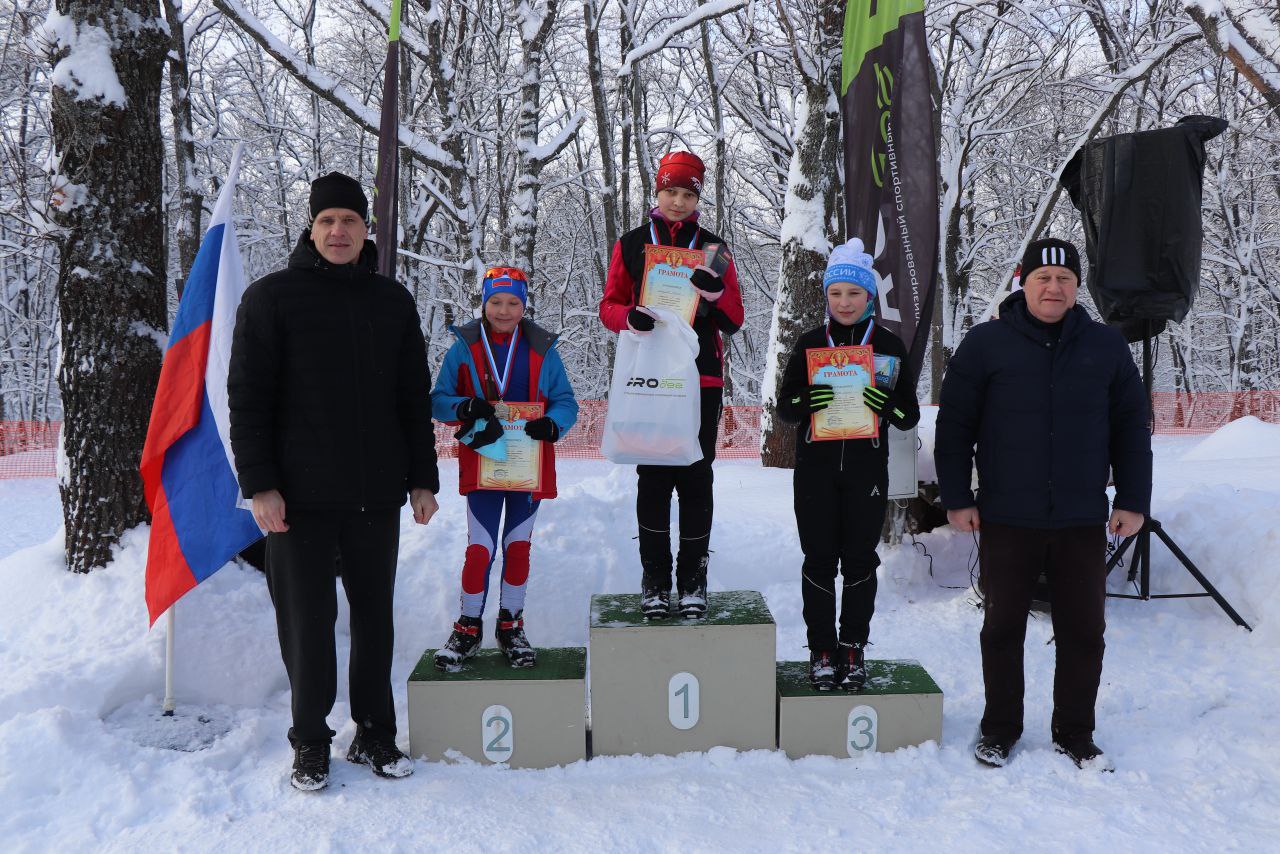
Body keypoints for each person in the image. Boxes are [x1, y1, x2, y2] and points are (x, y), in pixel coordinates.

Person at [228, 172, 440, 792]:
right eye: (327, 221)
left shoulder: (392, 302)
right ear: (311, 228)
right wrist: (260, 484)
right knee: (307, 623)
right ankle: (311, 743)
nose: (339, 231)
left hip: (376, 493)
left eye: (350, 220)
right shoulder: (271, 300)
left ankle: (375, 735)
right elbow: (248, 398)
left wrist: (421, 479)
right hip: (298, 499)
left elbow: (411, 398)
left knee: (375, 620)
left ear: (366, 229)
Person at [934, 237, 1151, 771]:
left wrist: (1132, 498)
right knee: (1002, 627)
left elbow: (1130, 427)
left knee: (1084, 631)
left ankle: (1075, 732)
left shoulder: (1106, 346)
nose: (1053, 288)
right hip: (1008, 515)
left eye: (1065, 280)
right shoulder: (986, 344)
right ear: (1023, 282)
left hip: (1081, 516)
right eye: (1042, 278)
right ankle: (1000, 729)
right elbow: (955, 427)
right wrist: (958, 497)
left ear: (1078, 288)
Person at [598, 150, 745, 619]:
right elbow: (609, 306)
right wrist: (629, 316)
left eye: (688, 193)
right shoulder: (633, 243)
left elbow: (734, 320)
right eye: (670, 191)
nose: (678, 201)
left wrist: (713, 295)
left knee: (697, 477)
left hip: (700, 377)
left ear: (697, 196)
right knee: (654, 476)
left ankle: (694, 580)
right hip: (649, 376)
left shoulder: (715, 249)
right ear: (656, 193)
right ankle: (655, 581)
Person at [776, 238, 919, 690]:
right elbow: (786, 407)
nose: (844, 302)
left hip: (866, 473)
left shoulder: (890, 346)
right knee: (818, 560)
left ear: (869, 297)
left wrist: (886, 402)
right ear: (826, 296)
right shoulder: (810, 343)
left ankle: (853, 648)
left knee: (859, 562)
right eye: (836, 293)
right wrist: (806, 399)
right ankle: (821, 649)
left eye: (854, 294)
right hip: (815, 470)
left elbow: (908, 414)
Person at [430, 266, 578, 670]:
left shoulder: (543, 350)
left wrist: (554, 423)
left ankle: (510, 625)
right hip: (485, 465)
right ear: (483, 302)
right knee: (480, 550)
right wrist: (463, 406)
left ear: (524, 304)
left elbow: (566, 401)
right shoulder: (464, 347)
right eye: (495, 301)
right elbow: (438, 399)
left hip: (528, 468)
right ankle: (468, 626)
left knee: (518, 548)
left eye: (513, 302)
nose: (504, 310)